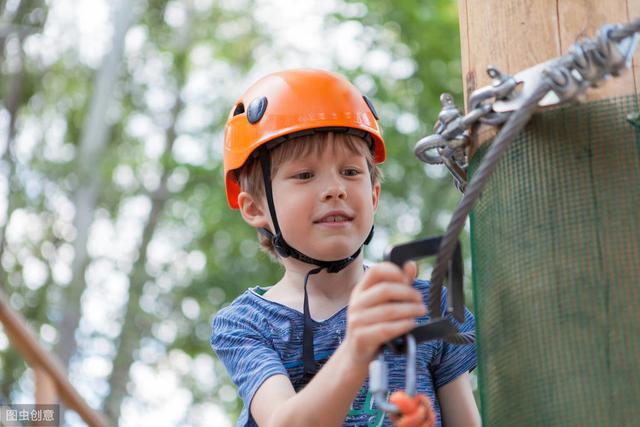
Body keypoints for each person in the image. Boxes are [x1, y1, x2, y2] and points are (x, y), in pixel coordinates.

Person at [211, 69, 479, 427]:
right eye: (305, 175)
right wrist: (357, 349)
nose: (335, 189)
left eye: (351, 172)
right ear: (255, 208)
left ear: (373, 194)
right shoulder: (248, 324)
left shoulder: (424, 306)